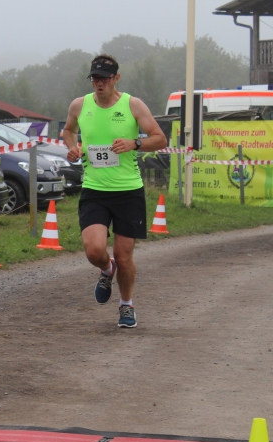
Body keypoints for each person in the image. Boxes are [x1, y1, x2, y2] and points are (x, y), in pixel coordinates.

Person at [62, 55, 167, 328]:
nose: (99, 83)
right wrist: (72, 147)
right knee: (94, 249)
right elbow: (68, 131)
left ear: (116, 78)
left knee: (125, 255)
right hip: (94, 189)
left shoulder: (132, 105)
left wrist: (134, 143)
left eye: (105, 78)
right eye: (95, 78)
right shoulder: (79, 105)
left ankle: (126, 305)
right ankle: (106, 270)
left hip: (128, 191)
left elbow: (159, 138)